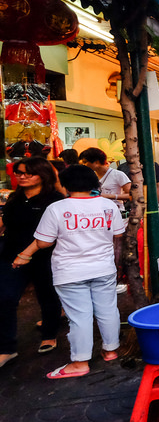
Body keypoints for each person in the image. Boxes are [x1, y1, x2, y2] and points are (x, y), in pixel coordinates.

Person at [15, 165, 126, 379]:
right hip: (103, 267)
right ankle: (111, 350)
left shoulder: (57, 208)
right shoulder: (107, 205)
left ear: (65, 184)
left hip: (70, 272)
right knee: (108, 310)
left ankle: (80, 362)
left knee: (79, 317)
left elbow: (44, 242)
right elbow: (118, 235)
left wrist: (25, 254)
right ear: (94, 183)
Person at [0, 157, 66, 369]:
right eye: (19, 172)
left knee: (47, 295)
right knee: (5, 297)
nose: (23, 176)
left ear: (43, 175)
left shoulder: (54, 199)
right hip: (12, 254)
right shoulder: (14, 198)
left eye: (29, 172)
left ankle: (49, 333)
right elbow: (6, 224)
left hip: (45, 256)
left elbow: (56, 233)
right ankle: (7, 348)